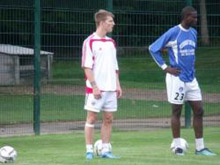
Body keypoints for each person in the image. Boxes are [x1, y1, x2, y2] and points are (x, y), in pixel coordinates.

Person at [149, 6, 216, 156]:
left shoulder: (193, 33)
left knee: (199, 110)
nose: (196, 20)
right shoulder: (174, 32)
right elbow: (153, 48)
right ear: (186, 16)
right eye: (194, 17)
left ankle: (200, 148)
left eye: (197, 17)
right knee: (176, 111)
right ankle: (178, 146)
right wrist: (166, 67)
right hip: (176, 79)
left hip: (191, 79)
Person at [81, 9, 122, 160]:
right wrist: (94, 86)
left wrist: (117, 85)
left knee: (109, 118)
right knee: (91, 118)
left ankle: (105, 150)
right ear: (102, 22)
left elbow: (115, 66)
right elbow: (87, 67)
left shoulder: (111, 43)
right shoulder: (89, 41)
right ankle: (89, 151)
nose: (113, 24)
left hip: (111, 88)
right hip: (96, 89)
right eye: (110, 21)